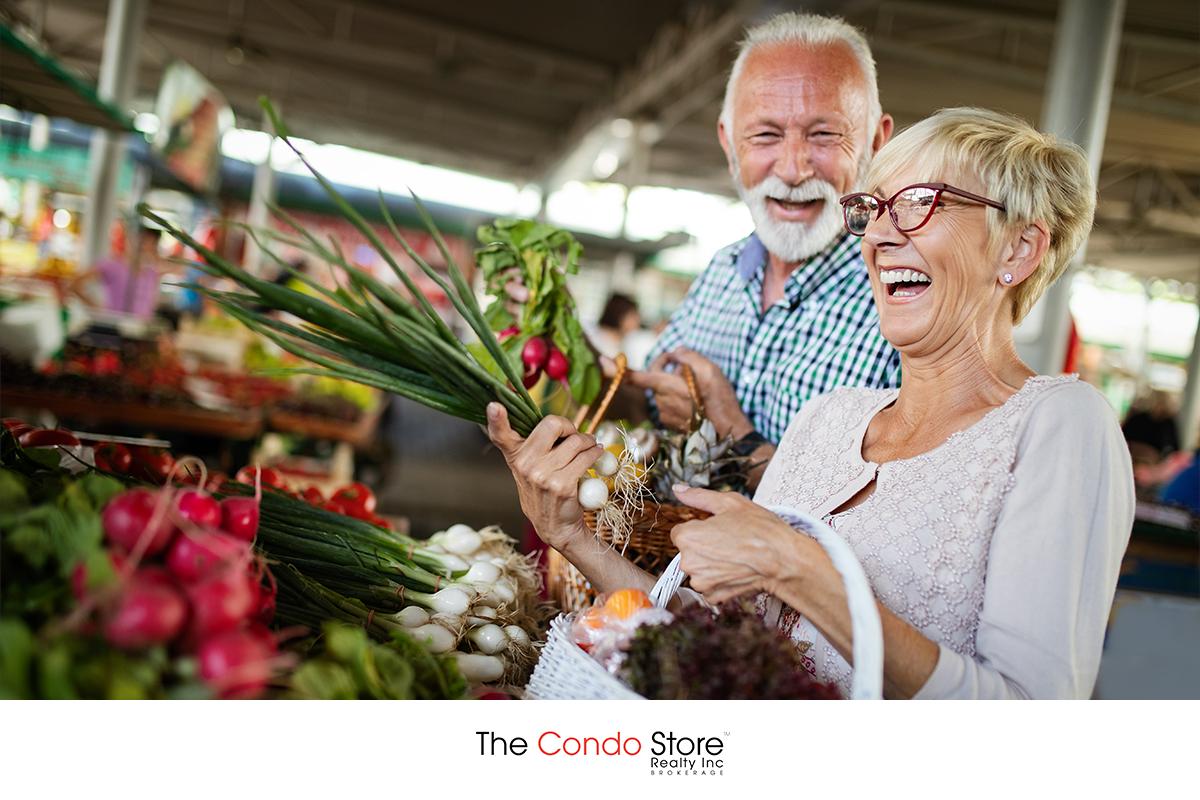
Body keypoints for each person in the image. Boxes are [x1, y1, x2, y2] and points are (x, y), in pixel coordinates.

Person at [487, 107, 1135, 699]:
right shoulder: (829, 417)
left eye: (916, 203)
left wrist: (799, 569)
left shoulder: (1058, 424)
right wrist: (571, 535)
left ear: (1019, 249)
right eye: (872, 209)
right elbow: (714, 647)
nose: (878, 235)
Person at [627, 12, 900, 477]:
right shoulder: (723, 269)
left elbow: (878, 514)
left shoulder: (902, 298)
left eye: (824, 134)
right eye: (766, 135)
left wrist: (727, 423)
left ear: (876, 141)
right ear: (729, 144)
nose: (793, 170)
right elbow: (648, 409)